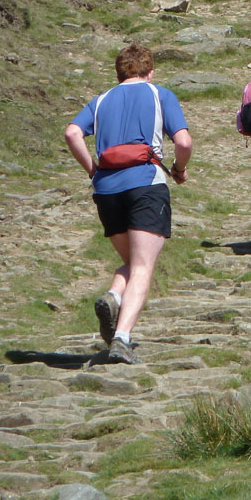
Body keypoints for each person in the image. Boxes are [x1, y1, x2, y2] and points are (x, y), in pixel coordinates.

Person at [64, 44, 192, 364]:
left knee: (134, 264)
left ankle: (113, 297)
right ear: (150, 72)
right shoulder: (159, 94)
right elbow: (184, 141)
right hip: (146, 184)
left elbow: (72, 133)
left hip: (107, 189)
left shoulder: (101, 100)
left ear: (119, 72)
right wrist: (178, 169)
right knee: (145, 267)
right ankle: (121, 339)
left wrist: (93, 170)